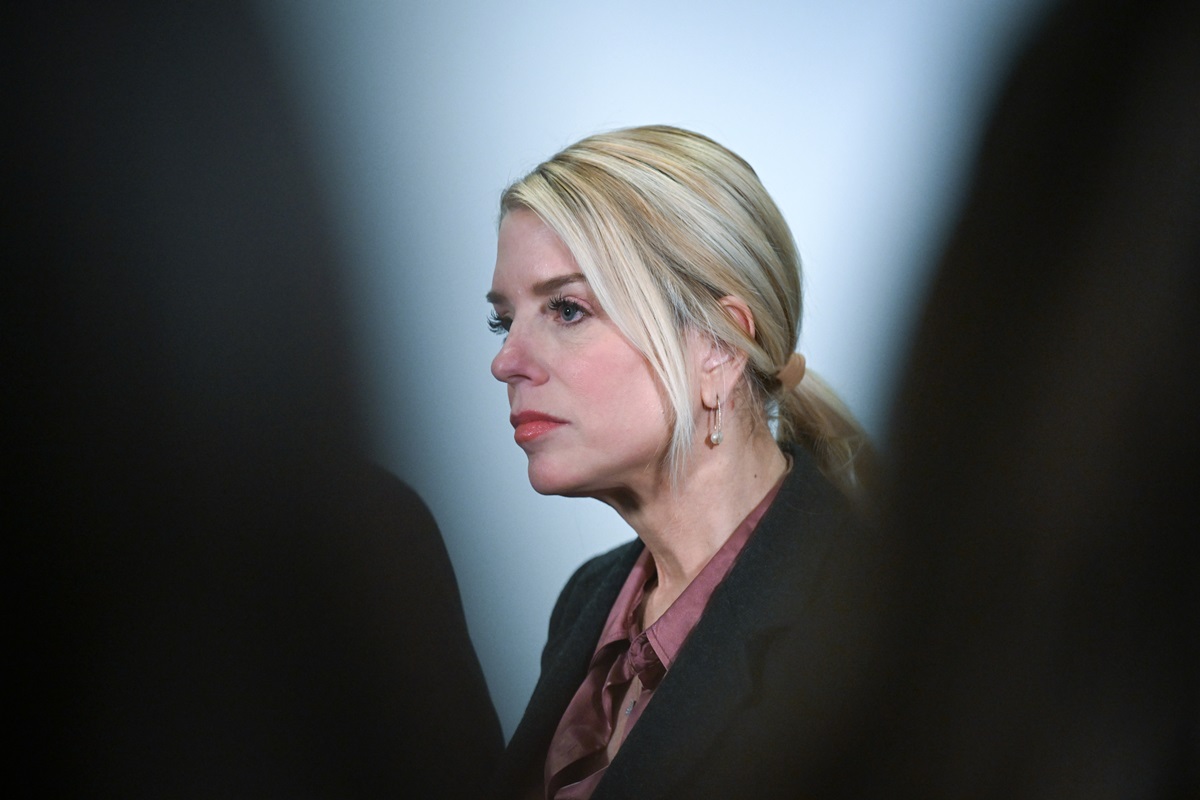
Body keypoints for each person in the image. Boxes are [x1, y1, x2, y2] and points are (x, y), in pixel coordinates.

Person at [485, 126, 886, 800]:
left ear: (718, 349)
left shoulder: (868, 621)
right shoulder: (588, 601)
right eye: (504, 320)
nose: (505, 362)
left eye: (567, 309)